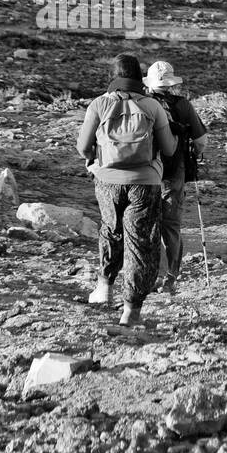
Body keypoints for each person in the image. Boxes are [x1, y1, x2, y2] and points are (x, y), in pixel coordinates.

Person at [76, 54, 177, 326]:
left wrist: (92, 160)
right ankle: (130, 312)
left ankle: (104, 288)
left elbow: (82, 147)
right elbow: (168, 149)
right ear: (138, 76)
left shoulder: (99, 104)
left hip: (107, 181)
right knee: (140, 242)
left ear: (114, 75)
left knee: (111, 229)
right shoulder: (152, 106)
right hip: (145, 182)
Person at [143, 60, 208, 295]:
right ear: (171, 83)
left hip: (144, 170)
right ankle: (169, 277)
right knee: (170, 224)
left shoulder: (140, 102)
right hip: (173, 169)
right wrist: (192, 155)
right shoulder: (182, 105)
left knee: (145, 222)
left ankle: (148, 275)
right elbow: (200, 141)